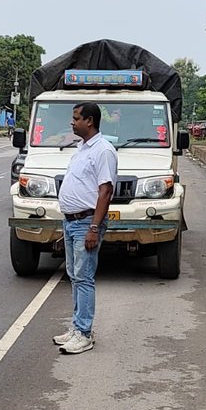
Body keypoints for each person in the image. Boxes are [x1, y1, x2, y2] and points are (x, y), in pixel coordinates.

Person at [53, 102, 118, 355]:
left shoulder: (103, 151)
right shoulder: (81, 148)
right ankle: (76, 326)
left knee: (84, 277)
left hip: (86, 223)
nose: (72, 122)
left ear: (89, 121)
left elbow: (106, 191)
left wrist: (93, 227)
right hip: (71, 221)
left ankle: (84, 333)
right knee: (74, 275)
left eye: (76, 118)